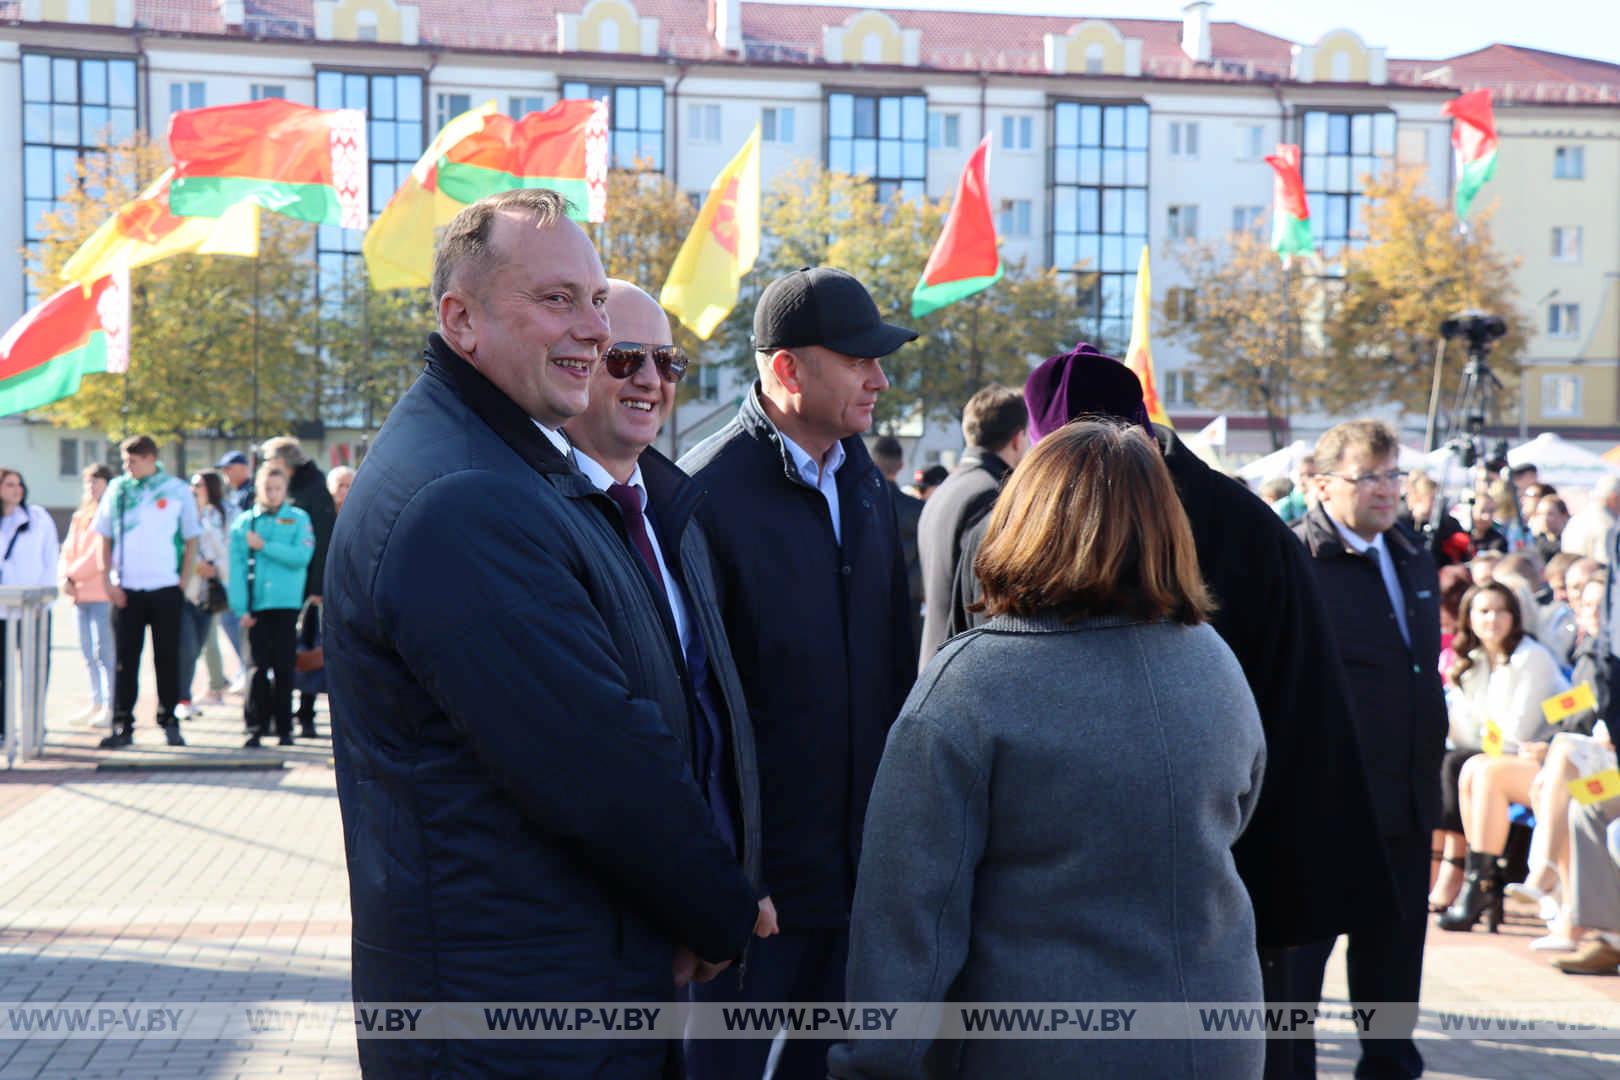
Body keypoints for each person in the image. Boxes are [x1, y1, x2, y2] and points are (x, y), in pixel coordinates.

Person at [324, 189, 757, 1077]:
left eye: (597, 301)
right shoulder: (464, 497)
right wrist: (717, 912)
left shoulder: (513, 467)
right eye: (557, 299)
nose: (595, 332)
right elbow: (597, 763)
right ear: (462, 319)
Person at [948, 345, 1392, 1080]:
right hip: (1214, 889)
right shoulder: (1248, 526)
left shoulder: (1022, 527)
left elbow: (1291, 716)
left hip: (1159, 892)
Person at [830, 421, 1267, 1079]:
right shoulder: (1214, 660)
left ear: (1025, 519)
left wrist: (872, 1065)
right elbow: (1233, 816)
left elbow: (909, 917)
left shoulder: (971, 684)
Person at [679, 265, 917, 1080]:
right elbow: (694, 708)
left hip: (856, 880)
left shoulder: (868, 487)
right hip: (758, 897)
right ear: (786, 369)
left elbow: (889, 672)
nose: (880, 379)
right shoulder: (704, 495)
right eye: (859, 359)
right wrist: (731, 876)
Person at [564, 278, 776, 1001]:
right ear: (577, 362)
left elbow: (715, 720)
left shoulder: (673, 511)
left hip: (687, 921)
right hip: (603, 934)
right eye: (624, 358)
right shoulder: (542, 518)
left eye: (667, 362)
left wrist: (737, 884)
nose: (651, 380)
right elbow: (605, 758)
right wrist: (712, 903)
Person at [1292, 419, 1447, 1079]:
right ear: (1322, 485)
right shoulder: (1295, 559)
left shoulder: (1411, 554)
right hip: (1325, 803)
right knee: (1298, 968)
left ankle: (1389, 1065)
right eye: (1369, 476)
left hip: (1406, 800)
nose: (1387, 490)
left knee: (1393, 959)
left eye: (1394, 475)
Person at [1432, 583, 1566, 924]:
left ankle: (1478, 883)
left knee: (1483, 770)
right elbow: (1461, 731)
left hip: (1555, 759)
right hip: (1514, 759)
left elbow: (1517, 731)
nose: (1492, 619)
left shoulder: (1530, 657)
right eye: (1483, 611)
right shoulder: (1474, 660)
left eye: (1500, 611)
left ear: (1514, 616)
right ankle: (1481, 884)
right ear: (1469, 617)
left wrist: (1483, 733)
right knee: (1467, 767)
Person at [93, 435, 201, 749]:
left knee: (167, 657)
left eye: (133, 461)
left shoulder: (176, 489)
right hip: (127, 589)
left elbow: (191, 537)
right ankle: (122, 723)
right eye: (125, 461)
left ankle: (169, 721)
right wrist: (107, 582)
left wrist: (183, 580)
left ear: (151, 458)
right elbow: (104, 536)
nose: (127, 466)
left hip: (166, 587)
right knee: (125, 660)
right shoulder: (118, 490)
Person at [915, 383, 1028, 667]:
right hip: (965, 668)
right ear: (1018, 439)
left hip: (937, 659)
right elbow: (985, 599)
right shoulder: (989, 495)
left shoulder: (944, 488)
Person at [228, 463, 313, 748]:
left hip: (286, 604)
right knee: (256, 668)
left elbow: (301, 555)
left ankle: (284, 727)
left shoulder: (298, 518)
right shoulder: (245, 523)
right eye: (268, 489)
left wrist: (265, 546)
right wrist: (241, 608)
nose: (273, 494)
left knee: (284, 667)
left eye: (278, 489)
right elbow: (236, 568)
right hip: (256, 606)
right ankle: (255, 725)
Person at [260, 436, 336, 740]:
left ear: (284, 461)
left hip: (307, 585)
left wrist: (317, 586)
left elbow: (323, 542)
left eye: (270, 459)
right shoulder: (288, 488)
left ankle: (305, 715)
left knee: (308, 649)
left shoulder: (313, 490)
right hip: (283, 583)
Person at [0, 467, 60, 738]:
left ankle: (34, 725)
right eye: (9, 484)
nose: (16, 489)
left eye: (19, 484)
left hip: (33, 609)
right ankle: (3, 727)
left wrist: (43, 600)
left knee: (35, 670)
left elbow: (50, 559)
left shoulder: (37, 518)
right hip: (2, 610)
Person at [59, 463, 116, 727]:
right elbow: (67, 549)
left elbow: (98, 554)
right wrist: (65, 577)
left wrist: (73, 575)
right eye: (88, 482)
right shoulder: (81, 515)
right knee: (87, 652)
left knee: (104, 651)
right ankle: (96, 701)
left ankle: (111, 704)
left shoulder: (110, 513)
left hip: (101, 592)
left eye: (97, 481)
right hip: (78, 593)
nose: (91, 486)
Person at [176, 470, 231, 722]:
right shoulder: (178, 522)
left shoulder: (212, 519)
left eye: (199, 487)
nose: (195, 492)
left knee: (197, 647)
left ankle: (188, 694)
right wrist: (194, 565)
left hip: (207, 596)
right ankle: (182, 698)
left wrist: (214, 568)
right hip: (184, 594)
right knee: (186, 648)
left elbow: (223, 553)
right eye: (192, 488)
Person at [871, 435, 925, 643]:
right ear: (901, 465)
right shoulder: (917, 509)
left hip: (870, 599)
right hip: (909, 600)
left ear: (873, 462)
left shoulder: (859, 505)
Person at [1530, 494, 1571, 566]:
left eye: (1550, 514)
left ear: (1564, 515)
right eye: (1540, 514)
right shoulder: (1534, 541)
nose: (1544, 518)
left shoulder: (1571, 541)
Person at [217, 450, 254, 516]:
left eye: (228, 468)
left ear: (243, 468)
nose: (224, 471)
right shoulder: (236, 492)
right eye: (223, 469)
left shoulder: (251, 492)